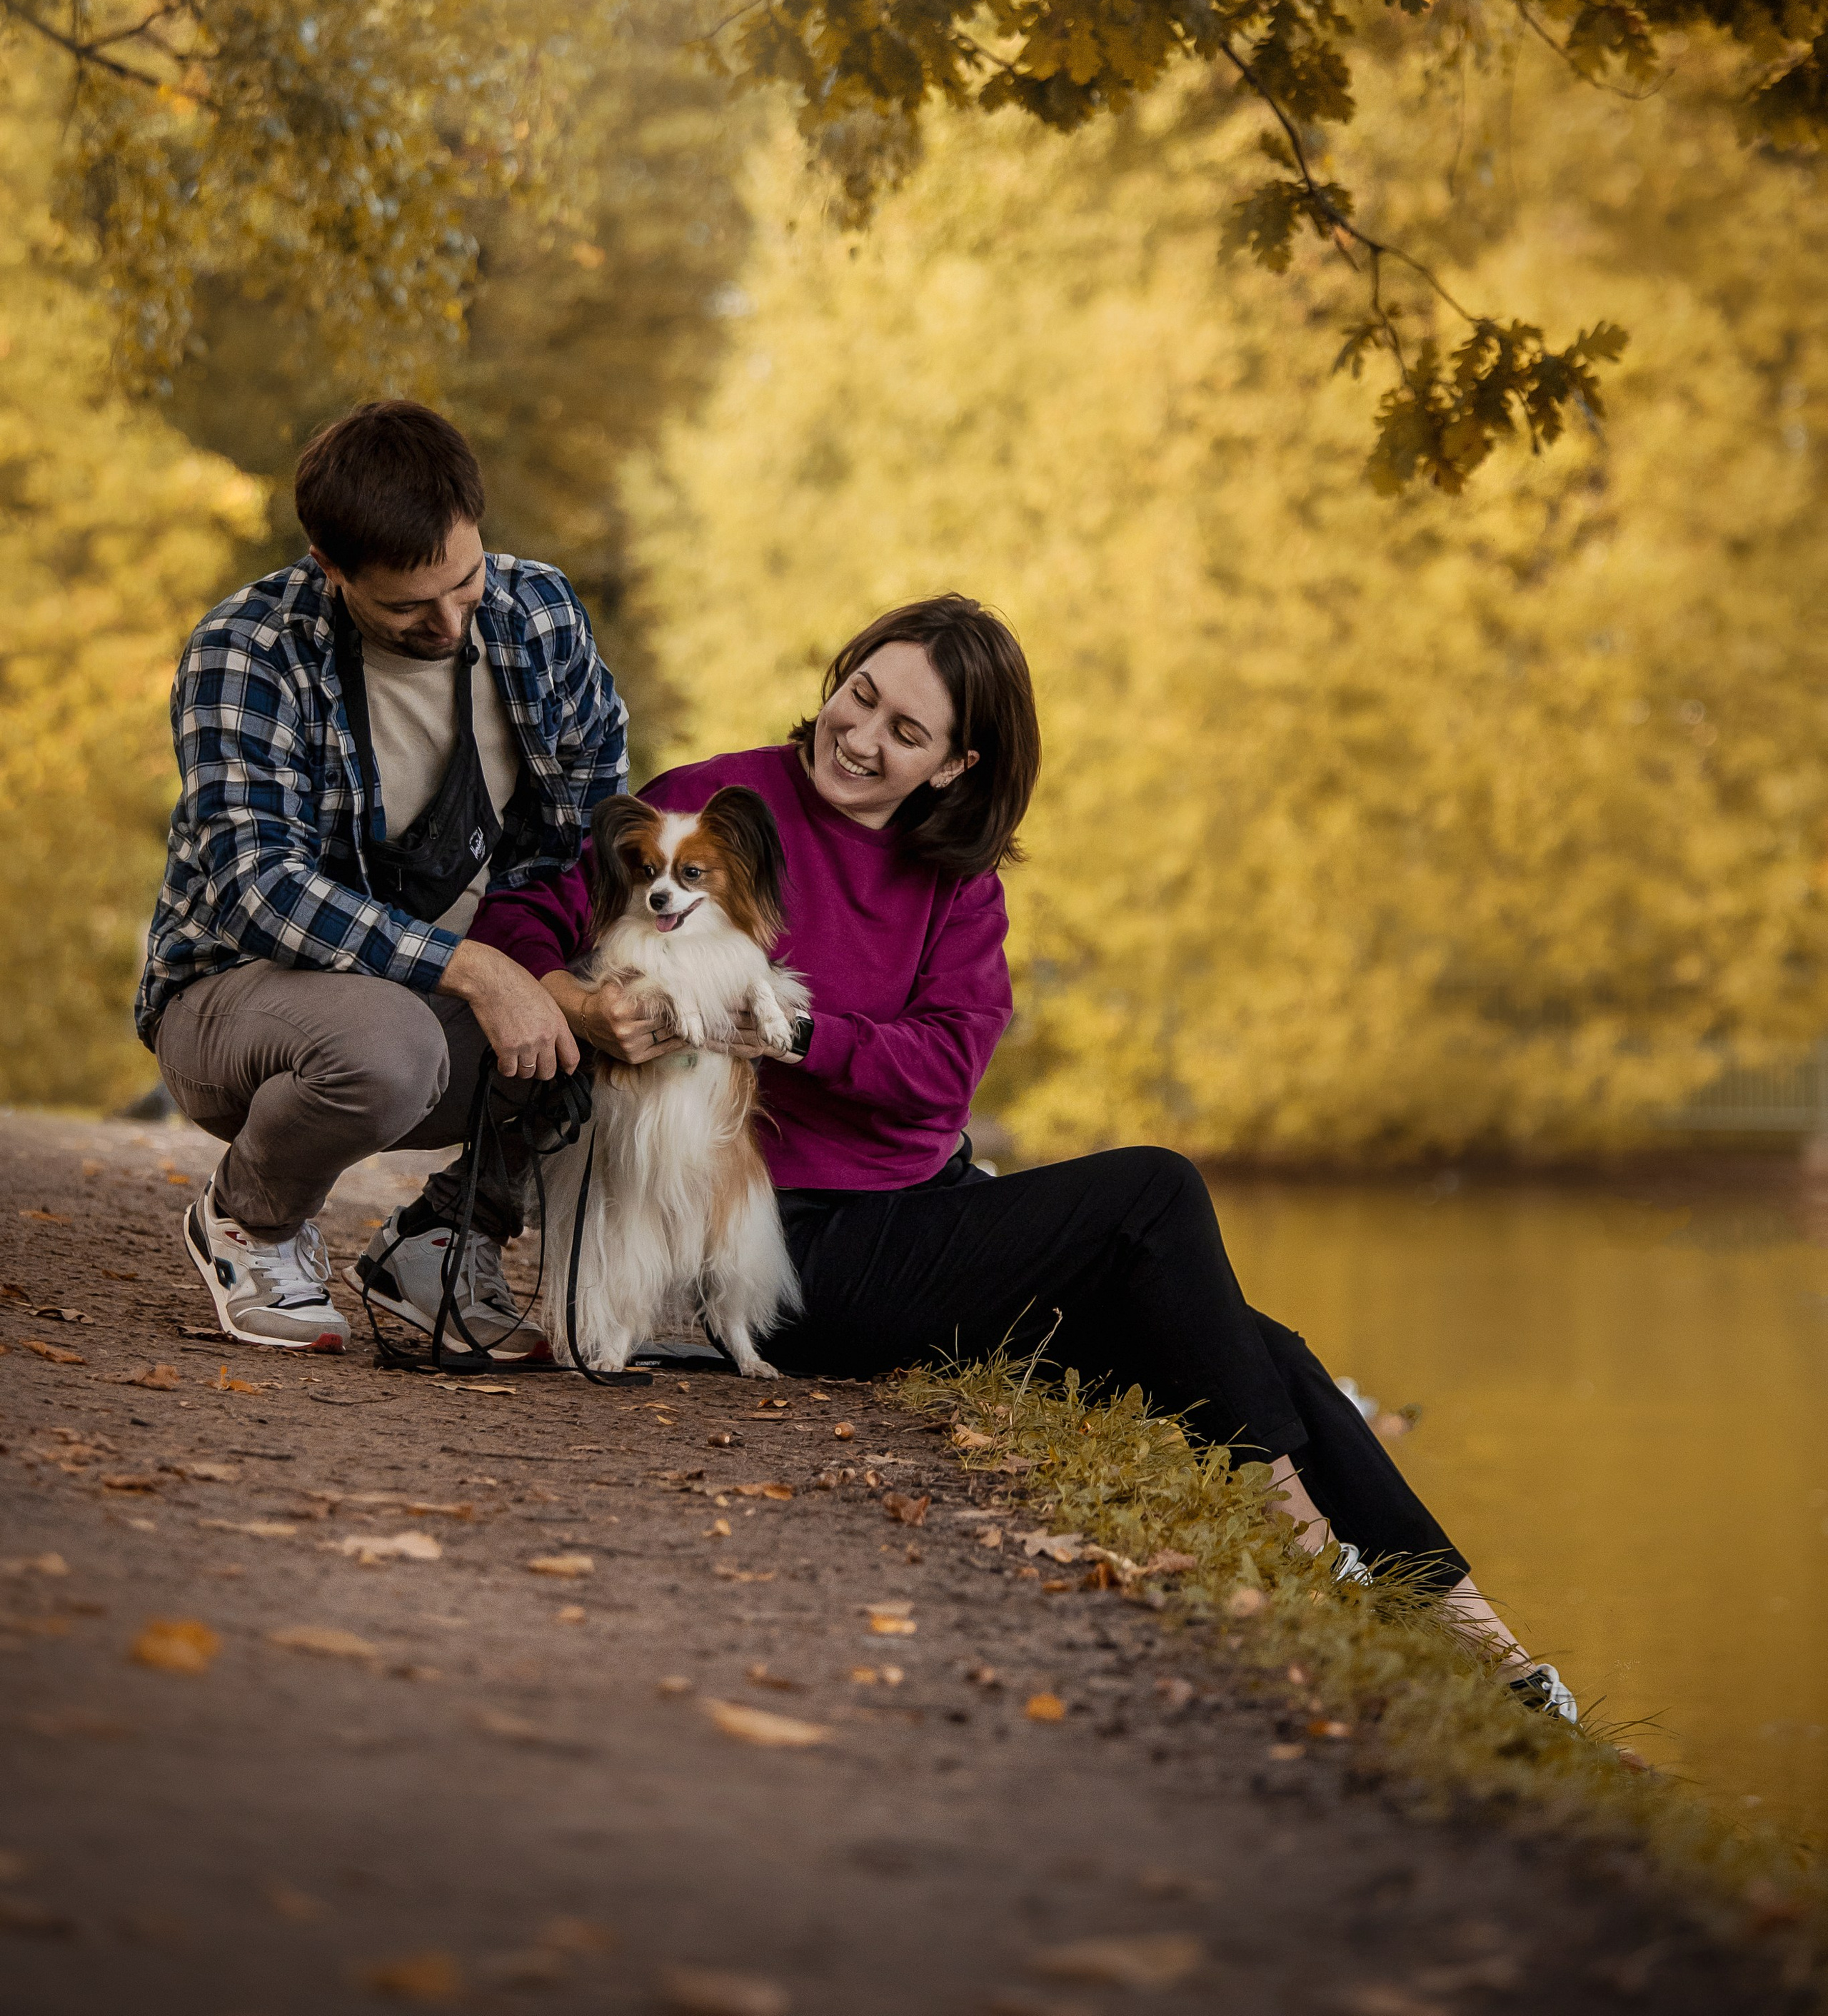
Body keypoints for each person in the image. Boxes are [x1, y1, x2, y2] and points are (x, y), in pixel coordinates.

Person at [470, 593, 1575, 1711]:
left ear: (955, 765)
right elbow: (527, 918)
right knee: (1154, 1189)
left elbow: (944, 1073)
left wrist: (798, 1033)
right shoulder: (715, 804)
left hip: (922, 1218)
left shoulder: (954, 881)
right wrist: (575, 998)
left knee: (1249, 1339)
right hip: (789, 1245)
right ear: (839, 675)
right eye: (860, 696)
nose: (861, 737)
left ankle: (1487, 1647)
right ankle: (1298, 1540)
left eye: (908, 733)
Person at [139, 400, 627, 1361]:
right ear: (330, 568)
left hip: (431, 988)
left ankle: (445, 1243)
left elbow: (590, 836)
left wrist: (568, 984)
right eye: (408, 607)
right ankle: (251, 1223)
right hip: (235, 1006)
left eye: (464, 582)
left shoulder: (540, 616)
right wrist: (480, 970)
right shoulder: (247, 651)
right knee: (389, 1045)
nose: (448, 622)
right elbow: (257, 888)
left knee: (623, 1013)